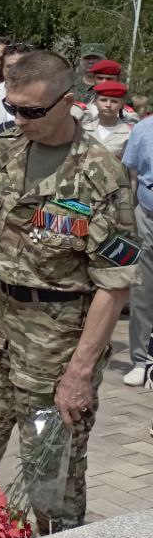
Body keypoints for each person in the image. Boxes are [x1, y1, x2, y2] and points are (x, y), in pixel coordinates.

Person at [0, 50, 140, 533]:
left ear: (68, 101)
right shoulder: (3, 149)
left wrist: (80, 372)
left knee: (51, 481)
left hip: (55, 349)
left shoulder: (101, 175)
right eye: (12, 107)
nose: (19, 119)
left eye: (32, 110)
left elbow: (115, 283)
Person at [122, 114, 153, 388]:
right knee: (142, 291)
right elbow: (131, 178)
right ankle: (141, 361)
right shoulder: (143, 128)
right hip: (146, 216)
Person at [81, 81, 132, 159]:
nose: (108, 105)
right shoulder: (83, 130)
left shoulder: (129, 134)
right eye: (103, 100)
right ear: (95, 102)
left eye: (114, 101)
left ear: (122, 104)